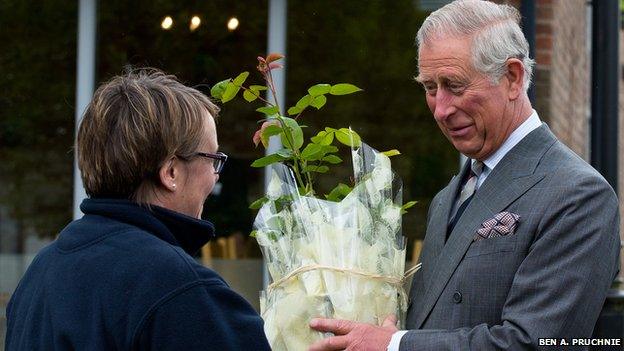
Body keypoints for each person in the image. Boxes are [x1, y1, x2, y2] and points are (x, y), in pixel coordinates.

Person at [308, 0, 620, 350]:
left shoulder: (578, 195)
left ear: (512, 78)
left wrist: (395, 345)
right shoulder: (447, 199)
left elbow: (534, 343)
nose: (441, 109)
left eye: (454, 85)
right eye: (429, 88)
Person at [5, 69, 271, 350]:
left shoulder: (42, 271)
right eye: (213, 159)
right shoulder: (176, 288)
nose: (216, 175)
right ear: (171, 172)